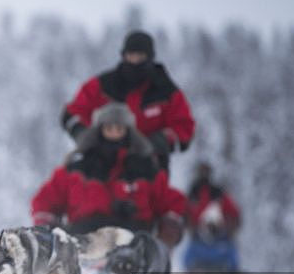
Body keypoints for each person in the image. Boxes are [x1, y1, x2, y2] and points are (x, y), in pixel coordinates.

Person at [32, 102, 186, 247]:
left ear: (128, 131)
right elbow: (46, 200)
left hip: (135, 242)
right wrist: (46, 225)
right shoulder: (77, 168)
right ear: (99, 130)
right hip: (85, 242)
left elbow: (169, 200)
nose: (114, 133)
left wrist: (170, 222)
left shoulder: (146, 169)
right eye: (109, 128)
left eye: (119, 128)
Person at [61, 31, 195, 171]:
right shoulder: (103, 86)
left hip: (150, 170)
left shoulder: (165, 91)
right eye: (131, 56)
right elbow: (71, 115)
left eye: (140, 57)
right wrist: (86, 139)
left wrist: (156, 143)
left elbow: (185, 130)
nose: (135, 61)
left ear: (150, 57)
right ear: (123, 56)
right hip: (103, 168)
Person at [183, 162, 241, 271]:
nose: (203, 175)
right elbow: (185, 213)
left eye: (206, 172)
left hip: (218, 235)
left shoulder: (218, 194)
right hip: (199, 236)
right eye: (202, 172)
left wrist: (231, 227)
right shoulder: (193, 194)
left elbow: (234, 213)